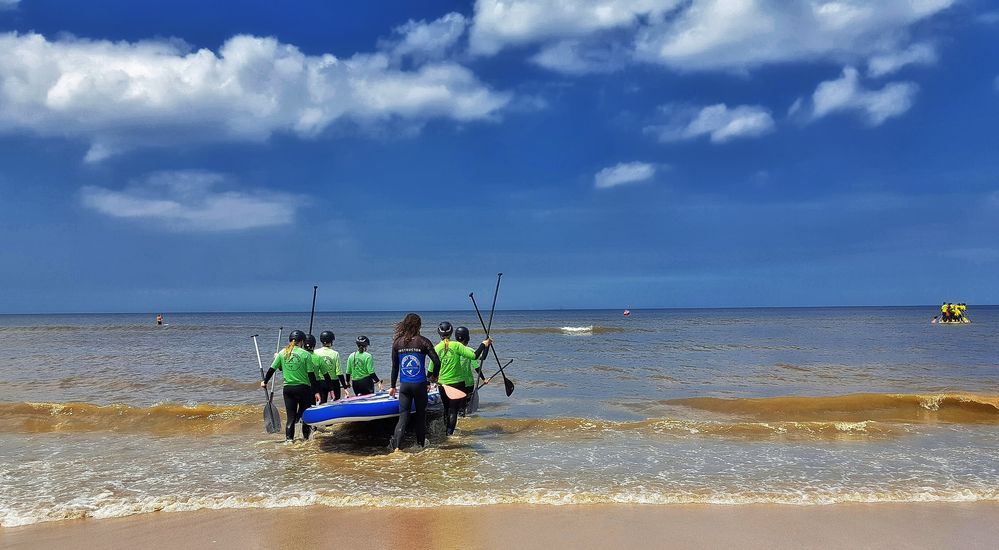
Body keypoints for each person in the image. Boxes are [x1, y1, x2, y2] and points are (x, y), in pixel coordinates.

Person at [388, 313, 442, 451]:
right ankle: (421, 446)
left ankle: (396, 449)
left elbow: (395, 367)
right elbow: (436, 362)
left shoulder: (397, 343)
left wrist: (393, 386)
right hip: (420, 385)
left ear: (405, 324)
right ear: (419, 325)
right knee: (420, 416)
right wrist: (432, 379)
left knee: (403, 417)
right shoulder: (423, 341)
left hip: (405, 386)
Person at [429, 322, 490, 436]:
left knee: (446, 409)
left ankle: (446, 431)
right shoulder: (458, 347)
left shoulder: (436, 348)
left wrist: (431, 382)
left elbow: (430, 371)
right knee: (454, 411)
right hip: (459, 384)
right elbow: (476, 357)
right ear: (451, 333)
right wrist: (484, 345)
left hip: (443, 384)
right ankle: (450, 434)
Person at [261, 330, 321, 441]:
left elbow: (271, 369)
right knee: (305, 416)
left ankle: (289, 441)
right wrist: (316, 391)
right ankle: (306, 440)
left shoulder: (282, 353)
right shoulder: (306, 354)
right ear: (302, 341)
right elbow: (311, 375)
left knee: (290, 419)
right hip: (304, 389)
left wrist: (265, 381)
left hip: (288, 390)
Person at [456, 326, 488, 416]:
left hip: (455, 382)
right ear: (468, 338)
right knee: (466, 405)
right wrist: (486, 346)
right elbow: (479, 364)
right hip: (468, 383)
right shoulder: (469, 351)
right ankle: (464, 418)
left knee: (457, 404)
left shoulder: (452, 349)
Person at [314, 331, 345, 402]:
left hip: (321, 382)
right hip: (334, 382)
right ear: (331, 341)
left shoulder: (315, 352)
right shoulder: (335, 354)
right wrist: (345, 387)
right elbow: (339, 372)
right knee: (336, 402)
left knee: (322, 402)